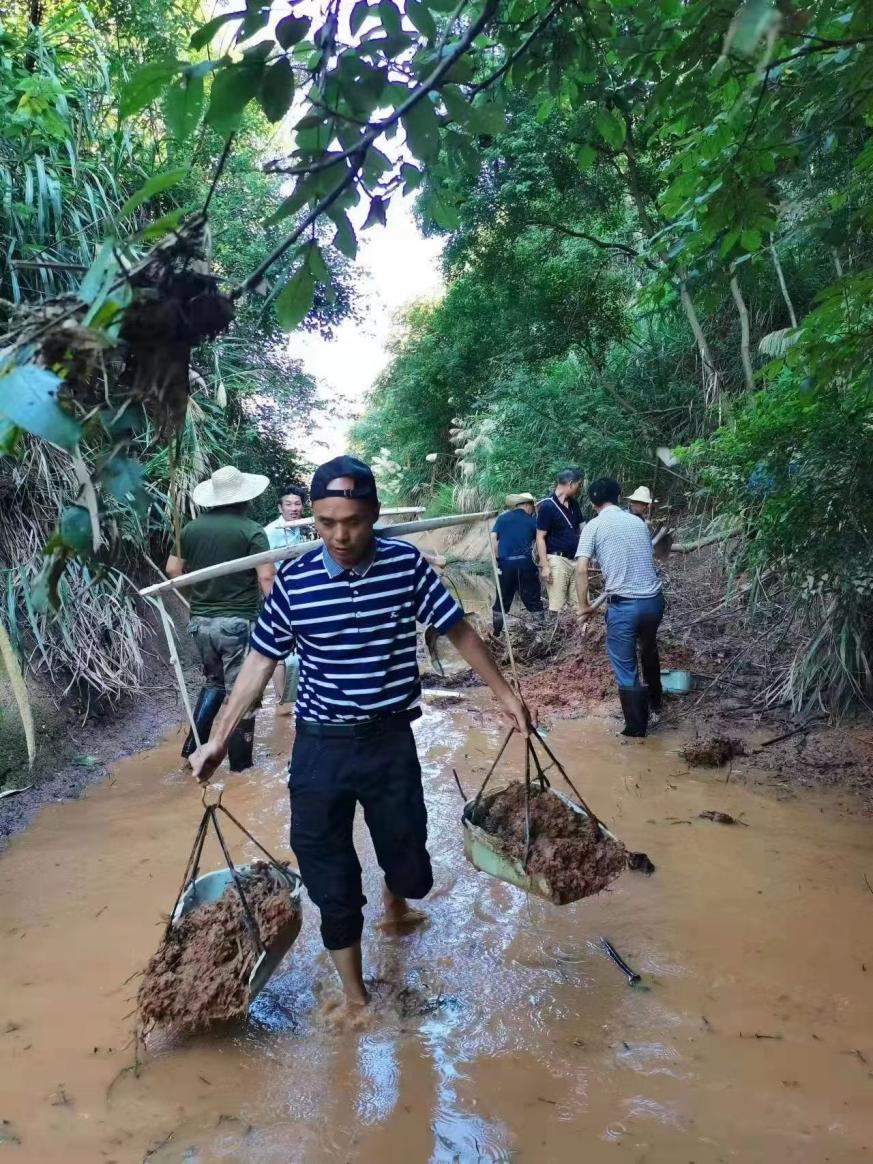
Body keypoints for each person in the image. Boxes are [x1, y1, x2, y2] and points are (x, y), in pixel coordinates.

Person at [190, 456, 532, 1018]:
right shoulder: (295, 582)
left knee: (413, 870)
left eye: (352, 521)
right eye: (326, 523)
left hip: (389, 742)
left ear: (372, 514)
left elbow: (460, 631)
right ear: (313, 521)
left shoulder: (406, 567)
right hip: (320, 747)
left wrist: (506, 696)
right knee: (329, 873)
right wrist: (219, 738)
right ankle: (356, 999)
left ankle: (397, 897)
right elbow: (256, 664)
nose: (340, 536)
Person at [166, 465, 275, 770]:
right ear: (246, 498)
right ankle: (241, 767)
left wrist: (196, 600)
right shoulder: (251, 530)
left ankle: (192, 753)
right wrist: (281, 617)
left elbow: (173, 571)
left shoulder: (189, 529)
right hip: (238, 621)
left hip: (201, 622)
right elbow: (266, 577)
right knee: (245, 691)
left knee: (214, 683)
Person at [575, 477, 664, 738]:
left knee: (625, 666)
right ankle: (656, 704)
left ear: (592, 503)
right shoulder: (637, 523)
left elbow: (581, 569)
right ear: (618, 497)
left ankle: (636, 732)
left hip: (625, 607)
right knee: (648, 649)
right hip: (654, 602)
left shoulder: (593, 526)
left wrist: (584, 606)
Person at [263, 484, 311, 712]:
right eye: (288, 504)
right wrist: (272, 602)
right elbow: (265, 570)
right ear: (279, 507)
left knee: (303, 646)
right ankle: (282, 703)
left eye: (297, 503)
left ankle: (300, 695)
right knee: (280, 649)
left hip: (304, 594)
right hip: (279, 596)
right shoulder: (271, 532)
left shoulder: (301, 528)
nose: (293, 508)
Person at [490, 493, 543, 632]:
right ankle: (540, 631)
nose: (533, 509)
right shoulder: (532, 521)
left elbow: (493, 539)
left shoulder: (502, 519)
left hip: (506, 564)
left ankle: (496, 633)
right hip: (526, 564)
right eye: (532, 506)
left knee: (501, 601)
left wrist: (497, 559)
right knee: (533, 599)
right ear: (526, 505)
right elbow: (539, 542)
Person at [535, 467, 584, 614]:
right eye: (578, 485)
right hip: (557, 559)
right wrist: (545, 566)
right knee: (558, 607)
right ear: (570, 484)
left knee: (579, 604)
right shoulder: (547, 507)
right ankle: (558, 634)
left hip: (576, 559)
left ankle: (579, 635)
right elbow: (540, 537)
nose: (579, 488)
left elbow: (583, 528)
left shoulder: (574, 504)